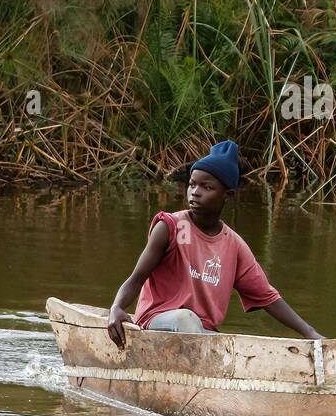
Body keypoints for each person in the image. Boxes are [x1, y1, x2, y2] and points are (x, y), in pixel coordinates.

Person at [106, 140, 322, 347]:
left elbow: (267, 297)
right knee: (186, 319)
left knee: (224, 340)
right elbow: (136, 278)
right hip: (157, 322)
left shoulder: (234, 246)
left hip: (200, 334)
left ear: (227, 195)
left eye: (206, 187)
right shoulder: (173, 227)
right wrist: (116, 308)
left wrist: (310, 332)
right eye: (192, 184)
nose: (195, 192)